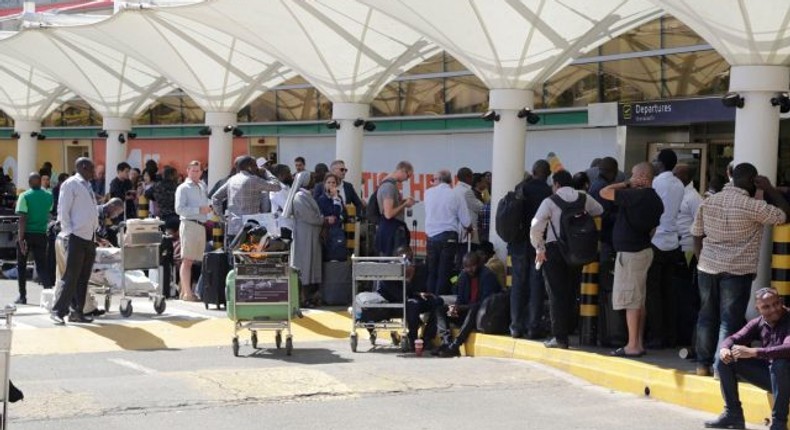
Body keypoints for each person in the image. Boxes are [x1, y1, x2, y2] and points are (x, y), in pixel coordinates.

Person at [692, 163, 790, 376]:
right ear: (753, 181)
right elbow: (784, 215)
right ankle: (721, 368)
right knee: (729, 320)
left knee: (706, 316)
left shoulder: (708, 202)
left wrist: (703, 260)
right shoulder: (752, 206)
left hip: (707, 267)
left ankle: (702, 365)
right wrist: (770, 189)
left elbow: (696, 234)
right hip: (737, 271)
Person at [531, 169, 604, 349]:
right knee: (572, 291)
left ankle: (560, 337)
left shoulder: (550, 201)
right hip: (577, 251)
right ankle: (572, 328)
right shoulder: (583, 198)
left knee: (556, 294)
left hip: (555, 250)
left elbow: (536, 225)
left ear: (556, 184)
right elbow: (599, 210)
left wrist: (539, 247)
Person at [599, 162, 663, 357]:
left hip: (630, 254)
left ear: (643, 177)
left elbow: (605, 192)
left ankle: (632, 345)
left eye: (633, 175)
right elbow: (652, 228)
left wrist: (626, 184)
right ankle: (638, 342)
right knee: (639, 300)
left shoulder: (635, 195)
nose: (630, 178)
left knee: (631, 300)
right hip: (643, 250)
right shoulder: (656, 200)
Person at [704, 288, 790, 430]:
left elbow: (787, 349)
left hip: (785, 376)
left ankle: (779, 423)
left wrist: (754, 352)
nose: (773, 309)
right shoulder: (759, 322)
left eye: (776, 304)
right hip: (774, 378)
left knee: (780, 364)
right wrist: (725, 349)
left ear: (781, 302)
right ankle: (733, 414)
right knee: (725, 360)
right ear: (758, 309)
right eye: (766, 307)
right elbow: (734, 338)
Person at [51, 157, 102, 325]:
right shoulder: (71, 184)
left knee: (83, 277)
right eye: (92, 168)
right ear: (84, 167)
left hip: (89, 237)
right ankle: (58, 311)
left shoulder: (87, 186)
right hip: (76, 236)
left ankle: (77, 312)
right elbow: (63, 210)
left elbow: (90, 210)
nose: (94, 171)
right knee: (71, 276)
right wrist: (69, 232)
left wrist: (95, 230)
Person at [646, 149, 685, 349]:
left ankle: (656, 336)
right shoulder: (679, 184)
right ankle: (671, 335)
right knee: (670, 292)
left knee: (653, 293)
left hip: (656, 241)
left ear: (661, 164)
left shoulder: (656, 182)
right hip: (673, 242)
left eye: (655, 160)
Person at [509, 160, 552, 339]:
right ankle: (533, 326)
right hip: (539, 243)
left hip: (518, 243)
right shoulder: (548, 192)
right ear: (548, 174)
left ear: (533, 171)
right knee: (536, 284)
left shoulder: (521, 188)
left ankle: (515, 326)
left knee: (518, 284)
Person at [435, 251, 502, 357]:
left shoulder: (488, 276)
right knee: (441, 310)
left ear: (479, 264)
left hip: (483, 316)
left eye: (472, 266)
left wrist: (461, 307)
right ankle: (446, 343)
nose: (469, 270)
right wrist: (455, 308)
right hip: (465, 312)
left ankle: (455, 345)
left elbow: (485, 304)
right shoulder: (463, 276)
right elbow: (460, 298)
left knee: (474, 309)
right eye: (466, 267)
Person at [424, 170, 471, 295]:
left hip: (431, 237)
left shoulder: (428, 193)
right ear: (450, 180)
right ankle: (440, 302)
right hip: (448, 237)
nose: (432, 183)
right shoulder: (455, 195)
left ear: (438, 180)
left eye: (433, 180)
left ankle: (429, 302)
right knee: (444, 272)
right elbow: (466, 221)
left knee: (431, 271)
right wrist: (469, 228)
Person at [212, 155, 281, 239]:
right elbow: (277, 186)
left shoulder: (232, 179)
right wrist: (267, 172)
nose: (257, 168)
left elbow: (215, 197)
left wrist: (222, 217)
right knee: (249, 252)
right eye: (255, 165)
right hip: (250, 228)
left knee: (235, 252)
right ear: (249, 167)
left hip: (234, 226)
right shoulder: (253, 180)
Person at [674, 163, 703, 347]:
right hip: (674, 248)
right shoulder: (676, 193)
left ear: (685, 177)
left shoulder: (693, 198)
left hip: (688, 250)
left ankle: (686, 336)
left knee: (686, 296)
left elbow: (700, 226)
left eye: (676, 174)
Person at [15, 172, 54, 304]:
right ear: (40, 182)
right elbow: (49, 210)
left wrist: (20, 239)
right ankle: (49, 294)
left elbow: (22, 218)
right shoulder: (49, 196)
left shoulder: (24, 196)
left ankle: (22, 296)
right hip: (41, 234)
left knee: (21, 266)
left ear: (30, 183)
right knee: (42, 266)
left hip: (26, 234)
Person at [175, 161, 212, 302]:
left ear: (201, 172)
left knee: (195, 260)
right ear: (188, 171)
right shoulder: (183, 188)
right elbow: (179, 209)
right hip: (189, 224)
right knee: (187, 260)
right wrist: (199, 210)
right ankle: (187, 293)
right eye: (193, 170)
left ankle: (185, 291)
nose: (196, 173)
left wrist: (207, 209)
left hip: (200, 224)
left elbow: (204, 205)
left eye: (198, 170)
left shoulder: (202, 186)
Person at [292, 172, 324, 307]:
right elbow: (311, 217)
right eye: (311, 179)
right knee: (304, 265)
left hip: (311, 234)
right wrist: (323, 219)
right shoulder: (299, 197)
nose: (314, 181)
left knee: (311, 264)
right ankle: (302, 298)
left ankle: (309, 297)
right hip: (304, 235)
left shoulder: (306, 195)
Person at [375, 161, 415, 257]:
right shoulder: (389, 187)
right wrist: (404, 204)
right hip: (392, 230)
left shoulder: (388, 186)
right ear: (402, 171)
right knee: (393, 263)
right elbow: (388, 214)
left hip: (389, 228)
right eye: (408, 176)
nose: (407, 180)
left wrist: (401, 202)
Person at [316, 173, 348, 262]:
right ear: (324, 184)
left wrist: (340, 217)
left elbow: (343, 214)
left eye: (333, 183)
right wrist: (335, 199)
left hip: (338, 229)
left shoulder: (339, 198)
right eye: (328, 182)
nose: (331, 185)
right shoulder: (322, 199)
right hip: (328, 231)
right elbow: (334, 213)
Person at [455, 167, 483, 260]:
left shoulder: (454, 190)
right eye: (471, 177)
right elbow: (480, 208)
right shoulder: (467, 191)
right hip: (468, 233)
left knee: (460, 259)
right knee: (468, 260)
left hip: (457, 232)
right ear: (468, 177)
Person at [270, 164, 294, 239]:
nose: (291, 175)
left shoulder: (287, 187)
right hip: (283, 227)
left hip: (290, 225)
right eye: (288, 173)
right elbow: (287, 207)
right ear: (280, 175)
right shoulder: (277, 190)